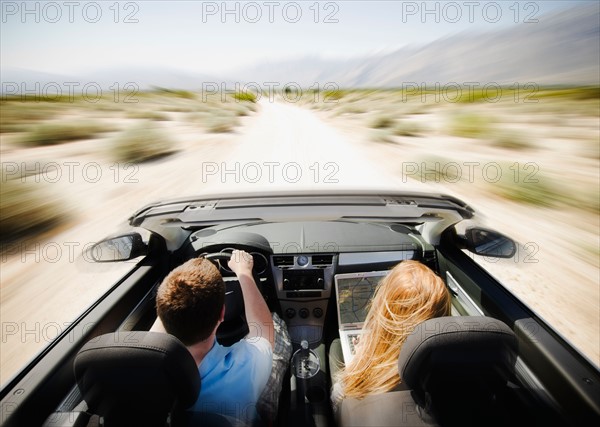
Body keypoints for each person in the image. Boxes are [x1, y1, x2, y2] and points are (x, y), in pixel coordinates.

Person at [151, 250, 284, 425]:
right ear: (223, 313)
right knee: (277, 325)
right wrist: (244, 272)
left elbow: (162, 320)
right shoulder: (244, 367)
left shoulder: (147, 367)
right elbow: (264, 332)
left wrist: (180, 280)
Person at [330, 260, 451, 410]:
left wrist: (360, 359)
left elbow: (337, 402)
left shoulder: (356, 386)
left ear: (384, 313)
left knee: (334, 347)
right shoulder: (452, 376)